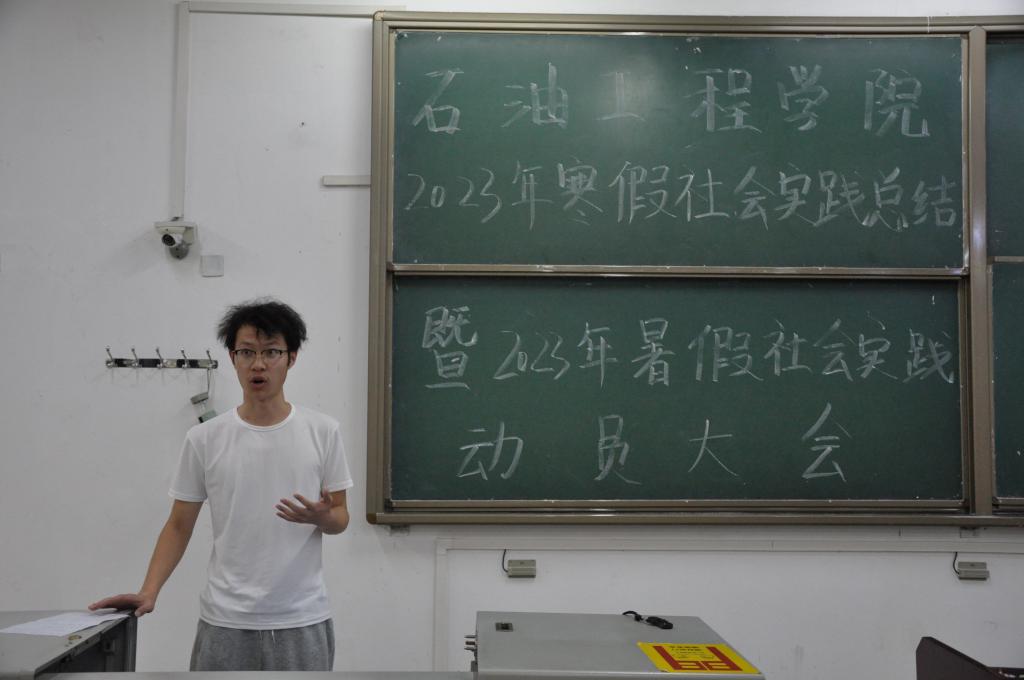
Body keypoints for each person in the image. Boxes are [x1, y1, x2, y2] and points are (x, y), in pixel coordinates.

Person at [90, 299, 353, 671]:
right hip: (225, 620)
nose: (258, 364)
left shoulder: (323, 431)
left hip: (301, 618)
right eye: (247, 352)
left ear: (291, 358)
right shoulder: (204, 438)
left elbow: (340, 517)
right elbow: (178, 525)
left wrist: (322, 517)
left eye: (271, 352)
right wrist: (149, 591)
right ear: (233, 358)